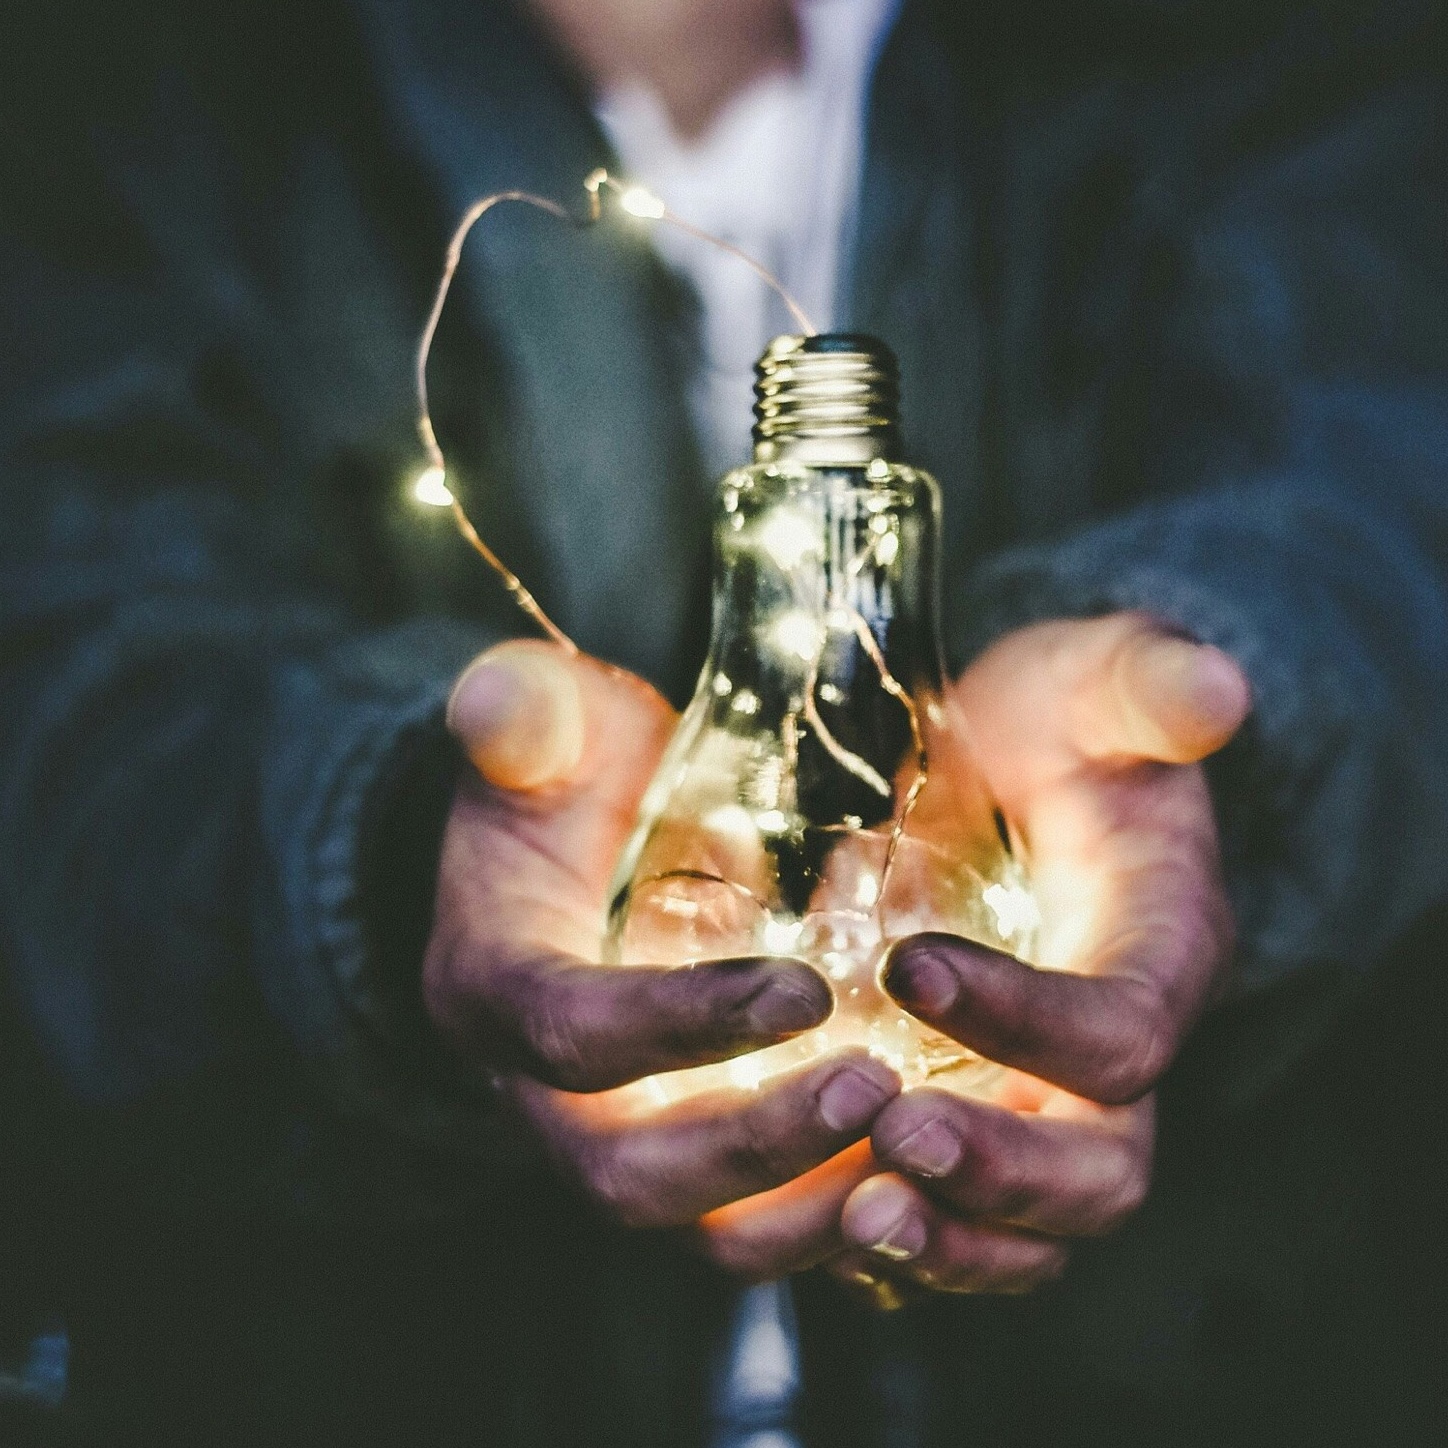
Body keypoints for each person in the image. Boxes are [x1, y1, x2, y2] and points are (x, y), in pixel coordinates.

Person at [0, 0, 1444, 1444]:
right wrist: (386, 858)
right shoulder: (154, 95)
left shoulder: (1245, 55)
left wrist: (1222, 711)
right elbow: (74, 667)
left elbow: (1386, 484)